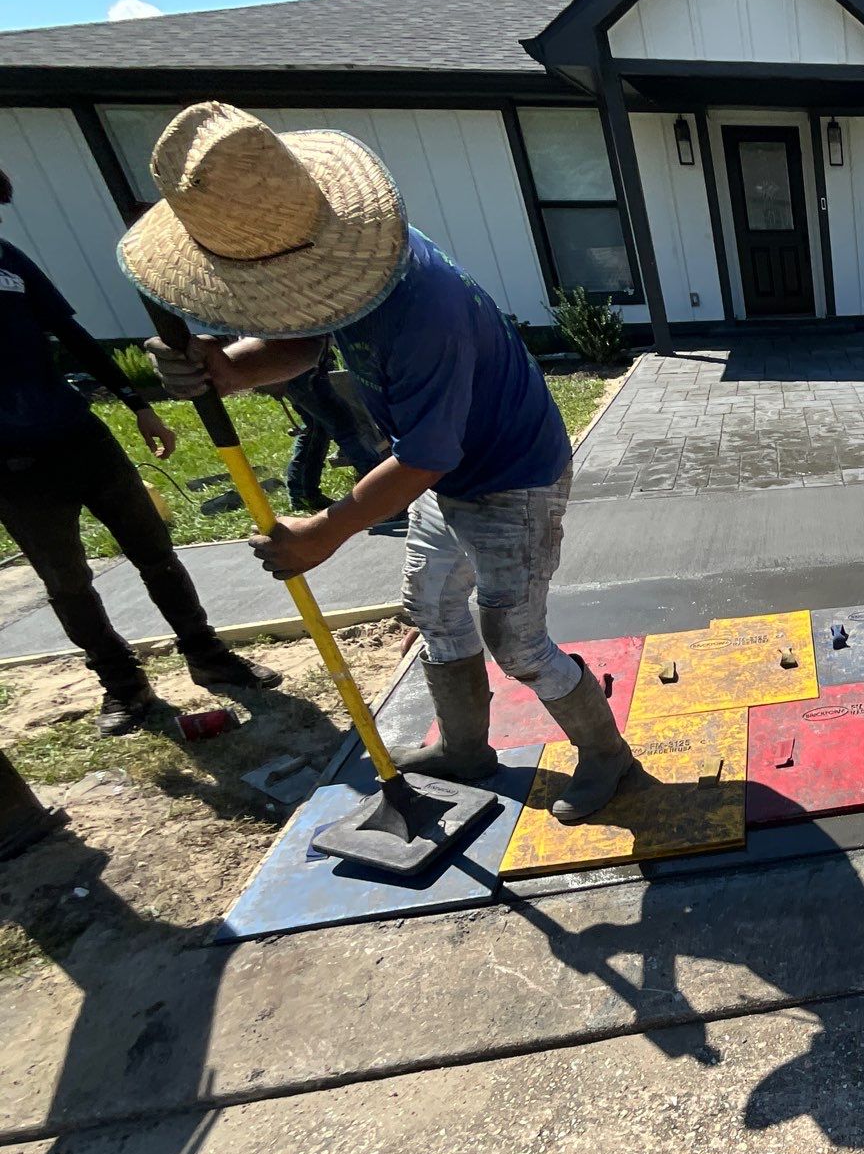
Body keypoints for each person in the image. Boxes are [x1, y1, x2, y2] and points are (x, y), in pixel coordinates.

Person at [129, 102, 630, 822]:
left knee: (515, 640)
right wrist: (232, 368)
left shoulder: (425, 310)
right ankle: (466, 750)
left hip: (511, 478)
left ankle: (607, 754)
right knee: (432, 607)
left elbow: (425, 458)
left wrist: (326, 531)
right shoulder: (344, 265)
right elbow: (309, 335)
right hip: (444, 470)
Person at [0, 167, 279, 736]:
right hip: (13, 469)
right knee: (66, 581)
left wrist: (136, 404)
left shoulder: (9, 263)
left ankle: (205, 653)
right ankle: (123, 686)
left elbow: (73, 338)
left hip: (80, 438)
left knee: (155, 551)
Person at [278, 340, 383, 512]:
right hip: (298, 365)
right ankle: (381, 492)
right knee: (345, 427)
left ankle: (303, 493)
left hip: (295, 365)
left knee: (316, 427)